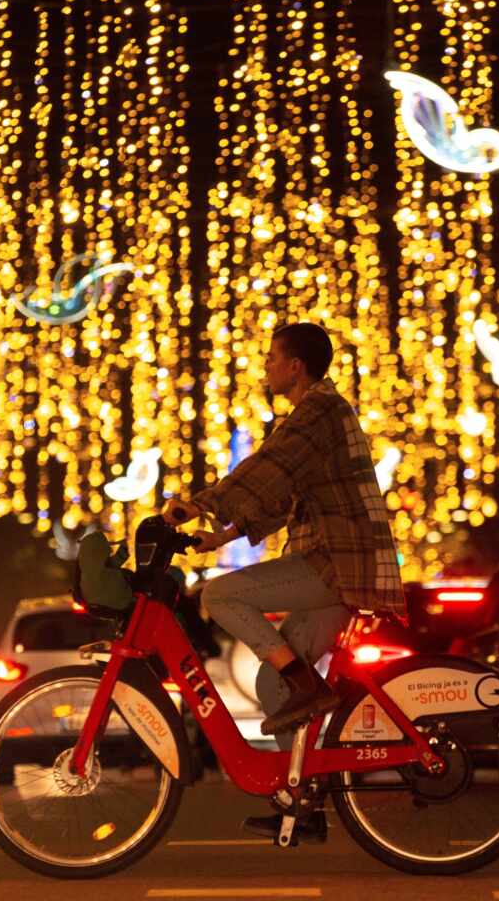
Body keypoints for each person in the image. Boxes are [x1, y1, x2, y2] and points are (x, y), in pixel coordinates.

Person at [162, 322, 405, 840]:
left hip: (339, 564)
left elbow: (265, 469)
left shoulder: (319, 411)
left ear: (296, 366)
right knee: (271, 684)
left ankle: (303, 683)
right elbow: (279, 500)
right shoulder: (310, 417)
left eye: (273, 357)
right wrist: (220, 535)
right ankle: (303, 804)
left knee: (220, 593)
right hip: (336, 566)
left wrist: (196, 502)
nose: (266, 366)